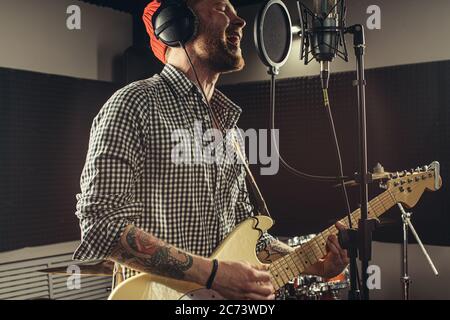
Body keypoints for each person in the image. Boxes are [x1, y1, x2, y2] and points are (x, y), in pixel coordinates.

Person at [73, 0, 349, 300]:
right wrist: (214, 274)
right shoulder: (133, 106)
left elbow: (251, 239)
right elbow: (100, 226)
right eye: (221, 8)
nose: (240, 21)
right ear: (178, 23)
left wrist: (311, 263)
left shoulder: (229, 130)